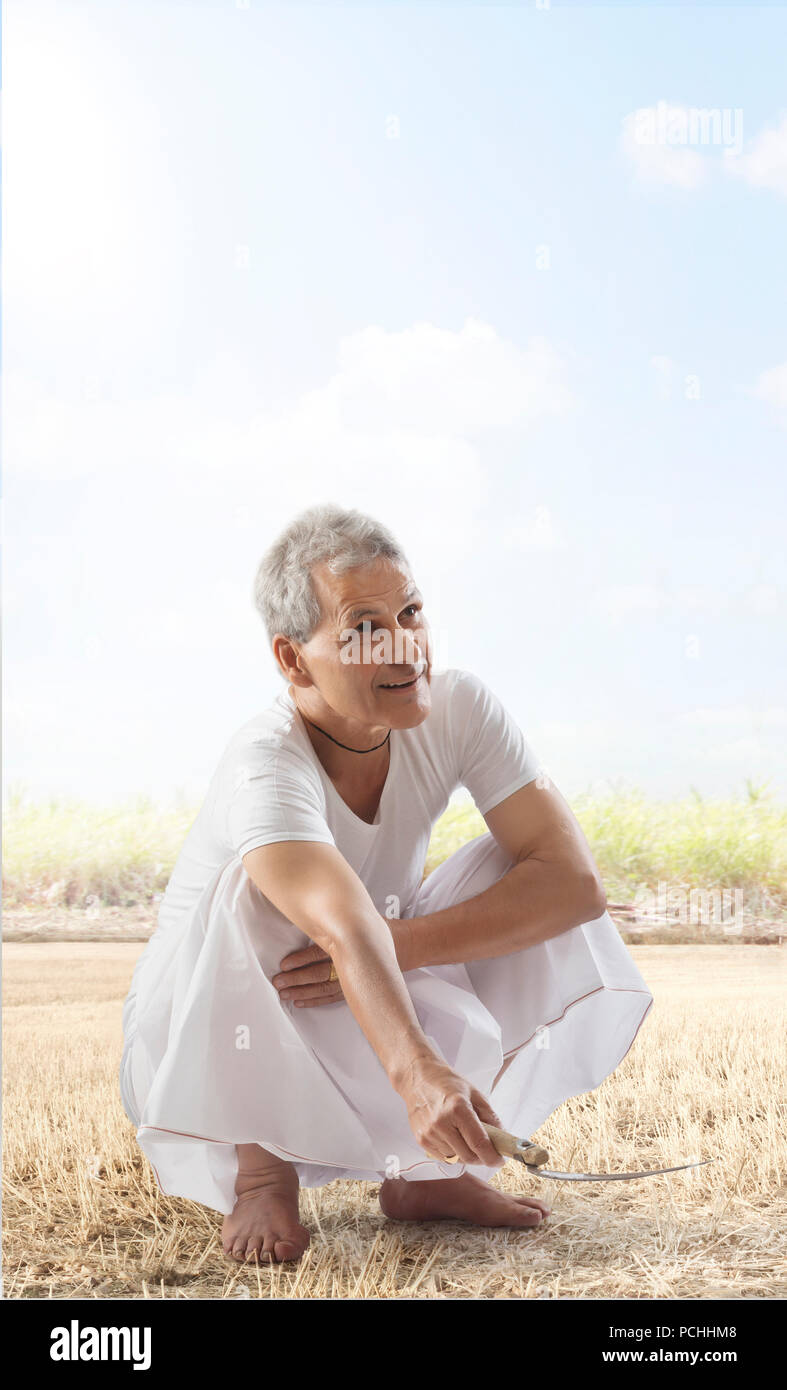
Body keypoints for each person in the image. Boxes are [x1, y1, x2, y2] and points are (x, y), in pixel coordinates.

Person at [119, 504, 653, 1265]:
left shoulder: (462, 705)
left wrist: (394, 946)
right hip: (220, 1014)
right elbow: (337, 924)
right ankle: (261, 1168)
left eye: (409, 612)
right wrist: (416, 1073)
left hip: (361, 967)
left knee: (522, 868)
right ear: (295, 661)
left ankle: (428, 1177)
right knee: (253, 894)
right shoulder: (264, 764)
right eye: (365, 627)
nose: (404, 646)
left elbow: (573, 885)